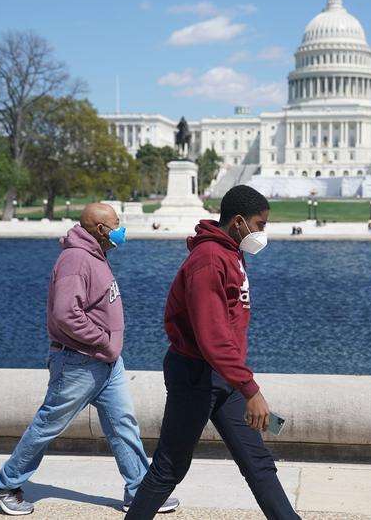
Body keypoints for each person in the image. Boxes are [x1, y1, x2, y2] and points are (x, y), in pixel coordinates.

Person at [0, 203, 179, 516]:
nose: (121, 229)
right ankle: (4, 483)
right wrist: (101, 339)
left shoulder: (95, 255)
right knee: (49, 424)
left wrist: (108, 348)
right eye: (116, 224)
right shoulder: (76, 259)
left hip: (106, 362)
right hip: (79, 362)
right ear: (100, 229)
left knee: (122, 424)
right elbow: (65, 314)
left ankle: (139, 490)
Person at [125, 186, 300, 519]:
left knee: (258, 462)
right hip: (196, 374)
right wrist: (250, 388)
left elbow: (228, 327)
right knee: (170, 467)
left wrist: (238, 379)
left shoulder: (231, 252)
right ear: (238, 222)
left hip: (223, 375)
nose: (263, 232)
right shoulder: (207, 261)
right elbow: (212, 335)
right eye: (260, 224)